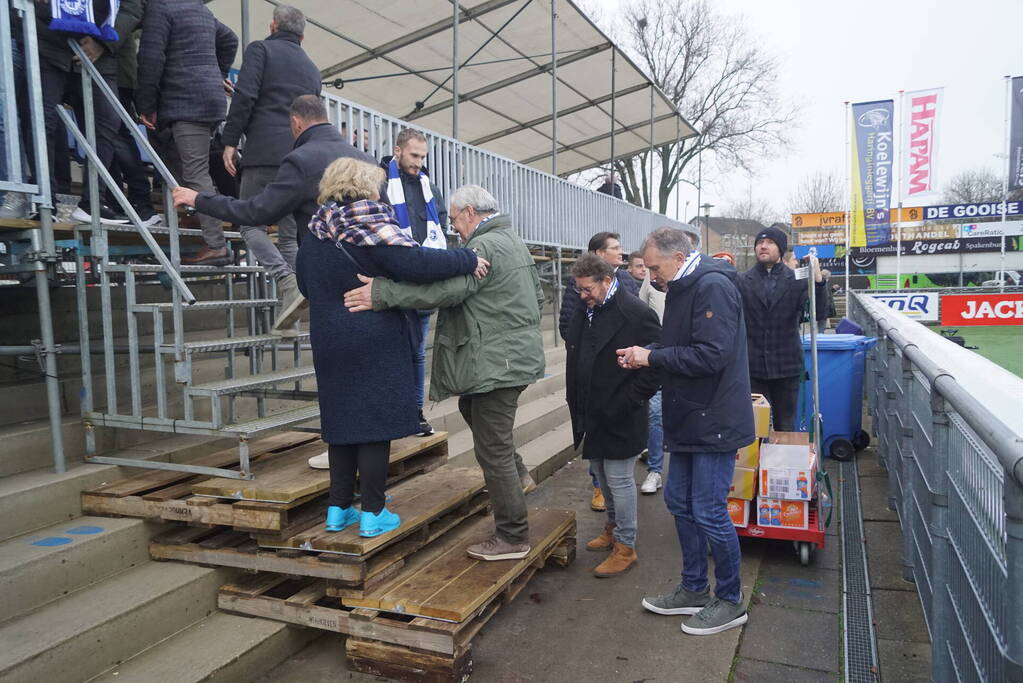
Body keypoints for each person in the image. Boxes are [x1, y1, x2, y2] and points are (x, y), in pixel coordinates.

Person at [344, 185, 545, 561]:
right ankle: (518, 477)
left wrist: (383, 293)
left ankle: (512, 536)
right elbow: (536, 297)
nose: (454, 228)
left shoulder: (483, 247)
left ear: (469, 212)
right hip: (510, 359)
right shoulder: (512, 240)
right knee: (475, 415)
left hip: (497, 364)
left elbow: (446, 292)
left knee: (493, 449)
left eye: (453, 220)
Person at [297, 157, 483, 537]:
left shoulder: (315, 234)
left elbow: (304, 286)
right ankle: (373, 511)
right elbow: (416, 263)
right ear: (366, 187)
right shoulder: (370, 227)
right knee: (374, 425)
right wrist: (467, 258)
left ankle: (338, 508)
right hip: (372, 337)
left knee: (342, 423)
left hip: (328, 340)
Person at [618, 227, 755, 636]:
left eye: (655, 268)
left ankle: (730, 600)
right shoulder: (682, 284)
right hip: (691, 414)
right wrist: (647, 358)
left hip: (713, 418)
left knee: (710, 510)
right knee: (679, 501)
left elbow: (712, 354)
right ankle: (694, 588)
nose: (650, 276)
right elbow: (682, 345)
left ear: (678, 259)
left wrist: (652, 357)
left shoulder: (711, 286)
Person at [172, 95, 377, 334]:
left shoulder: (302, 159)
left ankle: (289, 285)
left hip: (330, 284)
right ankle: (292, 289)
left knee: (338, 359)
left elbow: (255, 212)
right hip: (371, 283)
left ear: (296, 122)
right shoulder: (367, 159)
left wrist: (198, 198)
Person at [220, 5, 321, 323]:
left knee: (250, 224)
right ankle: (299, 295)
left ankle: (286, 279)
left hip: (263, 154)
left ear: (273, 25)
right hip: (298, 156)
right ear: (302, 36)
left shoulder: (260, 49)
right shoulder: (312, 68)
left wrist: (230, 140)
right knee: (289, 236)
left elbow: (247, 97)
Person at [565, 254, 660, 577]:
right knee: (601, 476)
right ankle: (613, 528)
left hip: (621, 412)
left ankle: (626, 546)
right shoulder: (587, 307)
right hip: (593, 410)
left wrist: (628, 402)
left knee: (619, 479)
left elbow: (655, 363)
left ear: (607, 281)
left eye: (587, 289)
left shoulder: (635, 312)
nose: (582, 295)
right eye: (579, 290)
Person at [137, 0, 238, 265]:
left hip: (186, 102)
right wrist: (217, 74)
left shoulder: (161, 9)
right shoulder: (199, 9)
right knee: (181, 165)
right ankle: (197, 211)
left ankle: (216, 245)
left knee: (195, 172)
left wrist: (145, 105)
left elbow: (150, 58)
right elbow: (230, 39)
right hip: (208, 101)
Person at [37, 0, 145, 223]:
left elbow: (131, 7)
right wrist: (60, 25)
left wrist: (102, 42)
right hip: (49, 46)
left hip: (102, 53)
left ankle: (94, 203)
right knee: (42, 121)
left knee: (107, 125)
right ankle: (45, 201)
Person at [559, 231, 639, 512]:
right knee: (597, 457)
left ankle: (623, 537)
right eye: (615, 248)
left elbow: (639, 331)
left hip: (618, 384)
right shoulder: (578, 287)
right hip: (588, 383)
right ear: (599, 254)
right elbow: (567, 324)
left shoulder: (627, 283)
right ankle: (598, 492)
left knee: (618, 473)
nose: (621, 252)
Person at [379, 129, 450, 437]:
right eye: (414, 156)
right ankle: (392, 411)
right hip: (392, 279)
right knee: (392, 349)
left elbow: (441, 222)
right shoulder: (380, 183)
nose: (419, 163)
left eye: (423, 157)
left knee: (418, 350)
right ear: (398, 151)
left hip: (421, 280)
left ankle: (415, 412)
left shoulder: (428, 185)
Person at [736, 226, 827, 432]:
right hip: (752, 367)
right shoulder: (742, 280)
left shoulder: (797, 280)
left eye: (769, 243)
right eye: (759, 243)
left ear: (781, 249)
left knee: (785, 425)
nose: (763, 246)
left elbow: (819, 314)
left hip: (786, 366)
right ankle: (755, 463)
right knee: (753, 426)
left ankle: (781, 464)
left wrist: (818, 282)